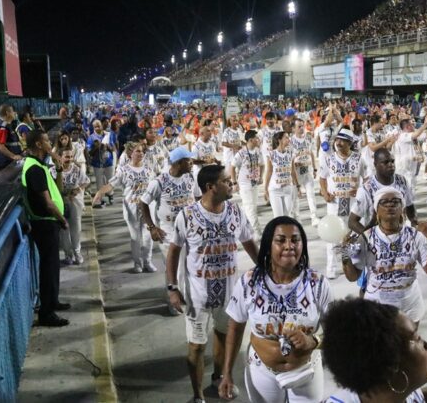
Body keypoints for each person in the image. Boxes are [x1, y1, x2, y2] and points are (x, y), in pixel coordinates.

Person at [166, 165, 259, 403]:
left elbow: (249, 243)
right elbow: (173, 252)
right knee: (196, 346)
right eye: (227, 181)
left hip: (229, 294)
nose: (232, 184)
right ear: (211, 187)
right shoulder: (186, 216)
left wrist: (266, 272)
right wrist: (172, 288)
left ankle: (219, 378)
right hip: (196, 298)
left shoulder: (236, 212)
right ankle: (197, 396)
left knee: (223, 337)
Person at [218, 216, 332, 403]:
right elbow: (235, 328)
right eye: (280, 240)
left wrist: (314, 341)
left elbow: (338, 333)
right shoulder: (249, 282)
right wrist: (226, 372)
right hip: (262, 371)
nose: (289, 246)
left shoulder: (317, 284)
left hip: (306, 371)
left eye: (295, 240)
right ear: (268, 246)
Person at [342, 187, 427, 324]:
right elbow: (353, 277)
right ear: (376, 210)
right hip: (378, 307)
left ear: (402, 209)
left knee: (408, 343)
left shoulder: (415, 236)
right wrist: (345, 254)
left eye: (395, 201)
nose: (390, 205)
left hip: (409, 305)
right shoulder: (366, 238)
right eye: (384, 202)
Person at [139, 147, 202, 309]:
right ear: (179, 163)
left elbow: (197, 198)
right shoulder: (159, 182)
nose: (191, 163)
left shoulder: (190, 178)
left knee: (189, 265)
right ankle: (173, 300)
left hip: (190, 230)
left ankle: (187, 295)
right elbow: (143, 203)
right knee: (172, 266)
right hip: (168, 233)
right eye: (188, 161)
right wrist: (152, 227)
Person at [21, 130, 70, 327]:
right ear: (39, 145)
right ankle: (46, 313)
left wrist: (58, 169)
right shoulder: (34, 169)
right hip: (45, 223)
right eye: (47, 140)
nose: (51, 143)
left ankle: (53, 301)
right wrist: (62, 220)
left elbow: (56, 189)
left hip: (49, 222)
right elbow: (48, 203)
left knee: (53, 266)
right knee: (48, 268)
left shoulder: (40, 165)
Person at [93, 142, 156, 273]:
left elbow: (156, 187)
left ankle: (148, 262)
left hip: (147, 207)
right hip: (131, 207)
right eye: (138, 151)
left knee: (148, 235)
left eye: (142, 151)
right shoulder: (124, 170)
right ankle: (137, 263)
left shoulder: (149, 170)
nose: (141, 153)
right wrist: (100, 192)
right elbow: (111, 184)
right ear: (130, 154)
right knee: (135, 236)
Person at [320, 128, 367, 279]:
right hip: (335, 203)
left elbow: (366, 179)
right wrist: (325, 193)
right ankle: (331, 266)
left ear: (350, 143)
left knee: (351, 234)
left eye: (343, 140)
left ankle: (349, 263)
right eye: (337, 140)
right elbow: (322, 178)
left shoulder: (359, 158)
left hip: (353, 203)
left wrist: (361, 191)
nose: (338, 143)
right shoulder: (329, 159)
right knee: (333, 234)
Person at [349, 148, 417, 235]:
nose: (391, 165)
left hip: (400, 235)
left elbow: (410, 205)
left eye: (392, 161)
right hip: (378, 240)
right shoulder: (366, 189)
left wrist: (415, 223)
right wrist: (369, 237)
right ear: (375, 165)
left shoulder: (402, 181)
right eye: (385, 162)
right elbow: (352, 222)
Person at [52, 147, 90, 265]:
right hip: (61, 203)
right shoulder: (53, 171)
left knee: (76, 229)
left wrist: (78, 189)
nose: (70, 159)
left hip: (75, 203)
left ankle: (77, 253)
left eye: (71, 156)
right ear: (60, 157)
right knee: (64, 230)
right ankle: (68, 255)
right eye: (67, 156)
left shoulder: (76, 169)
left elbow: (86, 181)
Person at [232, 130, 264, 240]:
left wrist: (261, 176)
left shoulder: (257, 151)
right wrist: (234, 183)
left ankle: (244, 227)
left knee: (251, 207)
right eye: (256, 138)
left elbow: (262, 164)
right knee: (250, 208)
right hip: (244, 184)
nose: (258, 140)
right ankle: (257, 231)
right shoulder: (241, 153)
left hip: (254, 183)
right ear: (250, 140)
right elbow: (232, 167)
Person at [290, 119, 320, 226]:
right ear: (293, 128)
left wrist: (315, 169)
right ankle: (297, 218)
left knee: (311, 194)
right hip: (296, 171)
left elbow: (311, 153)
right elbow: (290, 160)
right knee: (295, 196)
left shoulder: (308, 138)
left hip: (307, 170)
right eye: (299, 126)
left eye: (302, 126)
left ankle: (314, 217)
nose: (302, 128)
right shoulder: (290, 141)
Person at [264, 132, 297, 218]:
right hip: (275, 190)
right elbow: (269, 172)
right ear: (279, 140)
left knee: (287, 216)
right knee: (278, 217)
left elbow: (293, 171)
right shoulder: (271, 154)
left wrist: (298, 185)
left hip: (288, 189)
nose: (288, 139)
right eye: (286, 137)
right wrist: (265, 189)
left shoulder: (290, 153)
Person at [88, 119, 116, 208]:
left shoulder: (108, 134)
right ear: (93, 128)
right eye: (95, 126)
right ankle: (99, 199)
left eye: (98, 126)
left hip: (108, 162)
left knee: (110, 180)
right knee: (99, 183)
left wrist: (107, 145)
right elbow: (89, 152)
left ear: (102, 126)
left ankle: (110, 195)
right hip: (97, 163)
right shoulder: (91, 137)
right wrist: (96, 147)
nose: (97, 128)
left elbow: (113, 148)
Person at [0, 104, 23, 170]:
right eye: (13, 111)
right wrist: (13, 156)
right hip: (6, 163)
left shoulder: (7, 125)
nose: (15, 113)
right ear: (7, 113)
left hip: (9, 161)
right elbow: (0, 146)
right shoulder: (3, 127)